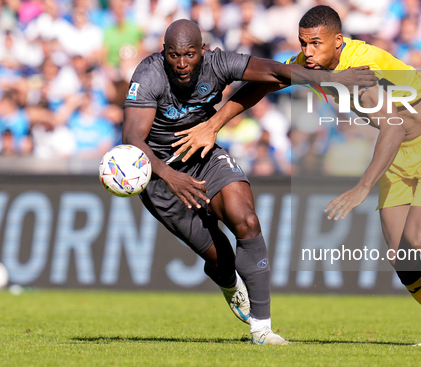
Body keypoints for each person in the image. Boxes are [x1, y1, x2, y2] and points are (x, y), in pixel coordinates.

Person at [172, 6, 421, 346]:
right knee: (401, 255)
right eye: (303, 44)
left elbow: (393, 127)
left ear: (339, 41)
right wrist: (213, 125)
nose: (307, 52)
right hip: (398, 152)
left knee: (418, 239)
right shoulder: (310, 63)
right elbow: (264, 84)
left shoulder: (361, 69)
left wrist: (363, 187)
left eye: (315, 44)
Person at [122, 19, 375, 345]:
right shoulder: (149, 74)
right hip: (160, 176)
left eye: (189, 55)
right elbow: (132, 139)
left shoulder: (219, 63)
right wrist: (170, 177)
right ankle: (229, 284)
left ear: (203, 51)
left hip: (202, 154)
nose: (182, 64)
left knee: (247, 219)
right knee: (221, 258)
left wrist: (332, 79)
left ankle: (262, 329)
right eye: (173, 55)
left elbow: (276, 72)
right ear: (163, 53)